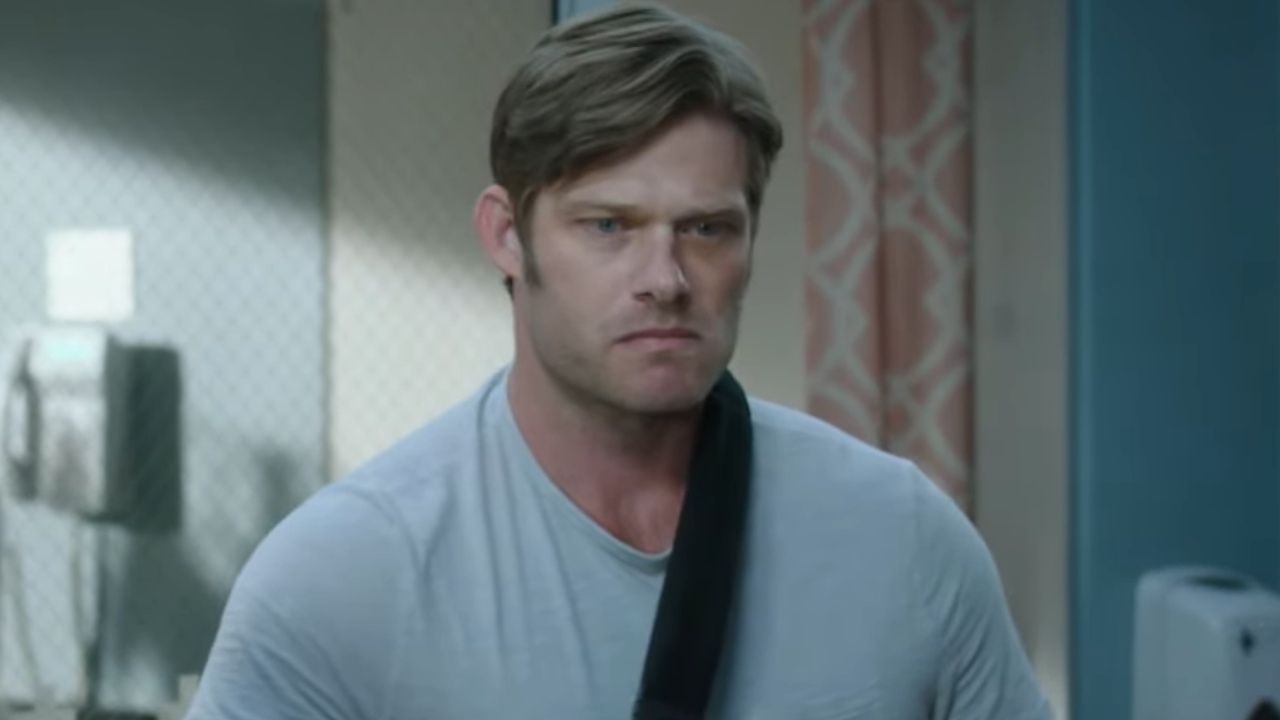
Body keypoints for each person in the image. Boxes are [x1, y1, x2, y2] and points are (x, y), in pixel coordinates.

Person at [187, 4, 1049, 718]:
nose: (666, 279)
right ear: (507, 236)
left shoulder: (902, 539)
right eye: (608, 226)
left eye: (706, 229)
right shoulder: (339, 580)